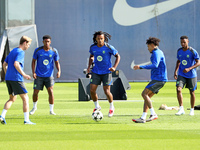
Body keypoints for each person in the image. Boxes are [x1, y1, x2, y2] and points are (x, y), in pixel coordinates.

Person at [0, 36, 35, 125]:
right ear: (24, 43)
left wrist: (7, 73)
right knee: (25, 98)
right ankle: (26, 120)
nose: (28, 46)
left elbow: (4, 64)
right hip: (16, 78)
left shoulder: (13, 51)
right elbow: (16, 64)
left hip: (8, 78)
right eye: (28, 44)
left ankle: (2, 116)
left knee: (12, 98)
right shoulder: (20, 52)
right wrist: (24, 74)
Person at [132, 37, 168, 123]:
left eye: (148, 46)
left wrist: (140, 67)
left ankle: (153, 114)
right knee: (147, 97)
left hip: (159, 79)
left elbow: (155, 65)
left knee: (144, 94)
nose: (147, 48)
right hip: (159, 78)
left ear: (152, 45)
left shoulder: (156, 53)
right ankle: (143, 117)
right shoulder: (158, 52)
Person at [87, 31, 120, 117]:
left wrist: (114, 67)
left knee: (107, 91)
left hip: (107, 72)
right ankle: (97, 106)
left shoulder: (109, 47)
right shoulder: (93, 47)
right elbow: (91, 56)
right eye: (98, 39)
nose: (100, 40)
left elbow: (118, 56)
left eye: (102, 38)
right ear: (96, 39)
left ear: (104, 38)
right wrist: (88, 67)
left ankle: (111, 107)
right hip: (96, 72)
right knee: (92, 90)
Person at [29, 35, 61, 115]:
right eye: (45, 41)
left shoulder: (54, 51)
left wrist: (59, 71)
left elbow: (57, 62)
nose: (47, 43)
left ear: (50, 42)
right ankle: (34, 107)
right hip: (39, 75)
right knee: (36, 92)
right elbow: (33, 61)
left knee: (50, 91)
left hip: (49, 76)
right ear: (43, 42)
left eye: (48, 41)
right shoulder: (38, 51)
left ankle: (51, 110)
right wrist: (33, 72)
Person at [174, 36, 200, 116]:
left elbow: (198, 62)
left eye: (184, 42)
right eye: (181, 42)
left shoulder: (192, 51)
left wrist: (189, 68)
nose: (182, 44)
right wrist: (176, 71)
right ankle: (181, 108)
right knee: (178, 89)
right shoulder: (179, 51)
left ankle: (192, 109)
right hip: (181, 74)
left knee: (192, 92)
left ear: (188, 41)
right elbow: (178, 61)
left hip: (191, 75)